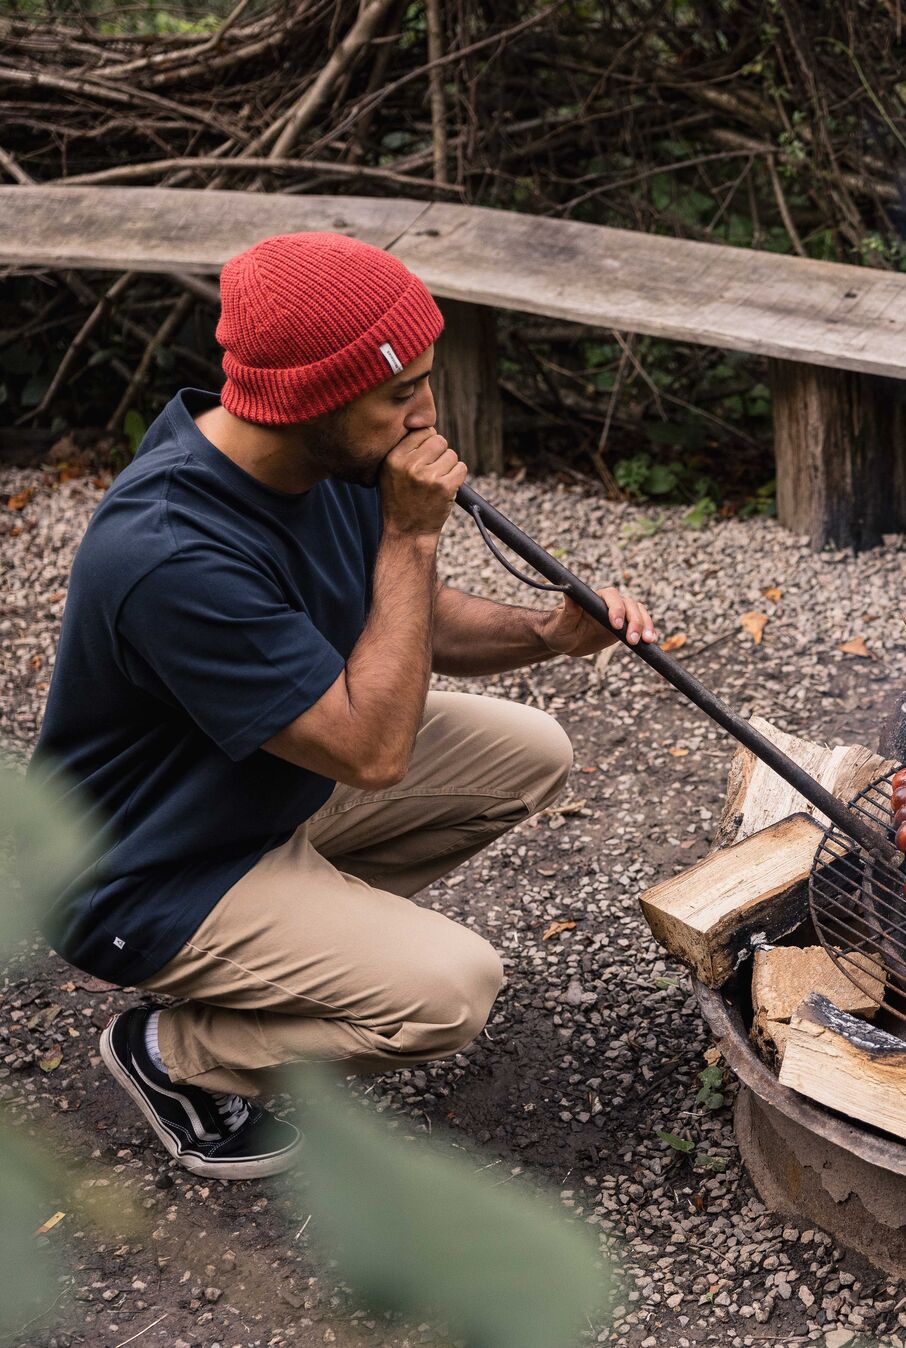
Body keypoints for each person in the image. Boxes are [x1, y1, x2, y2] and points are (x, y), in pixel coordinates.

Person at [28, 231, 657, 1180]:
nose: (426, 417)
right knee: (449, 994)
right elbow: (371, 752)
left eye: (425, 382)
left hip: (252, 789)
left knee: (530, 751)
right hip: (145, 871)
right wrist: (410, 536)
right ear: (307, 400)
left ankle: (306, 947)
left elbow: (411, 621)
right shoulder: (169, 552)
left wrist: (543, 633)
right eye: (400, 393)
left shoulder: (328, 462)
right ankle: (174, 1054)